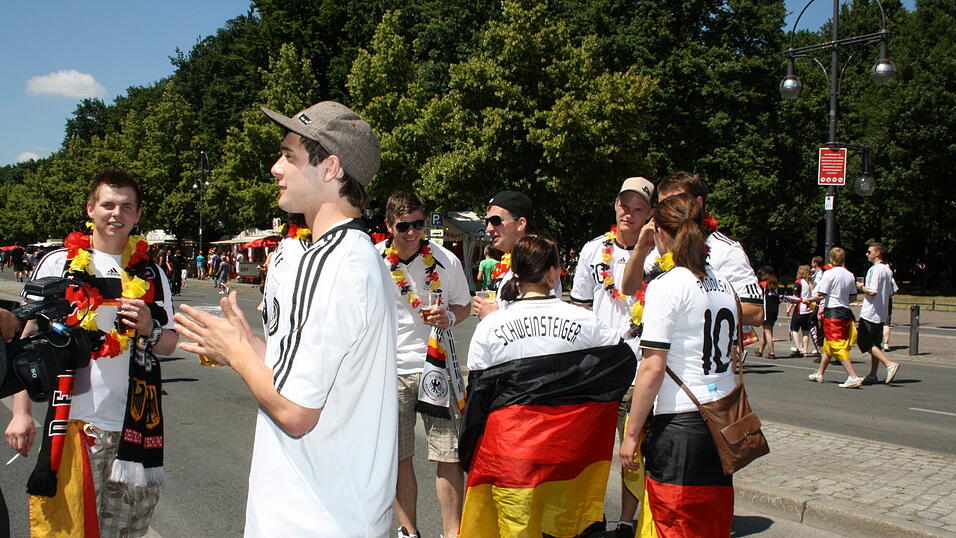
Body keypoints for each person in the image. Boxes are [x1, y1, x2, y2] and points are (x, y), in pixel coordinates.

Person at [173, 100, 398, 536]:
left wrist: (238, 354)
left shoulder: (329, 261)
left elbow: (295, 412)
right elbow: (313, 373)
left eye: (289, 156)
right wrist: (249, 345)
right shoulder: (356, 255)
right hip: (340, 512)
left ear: (330, 168)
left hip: (312, 515)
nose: (276, 168)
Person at [5, 168, 178, 536]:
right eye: (108, 205)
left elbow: (169, 345)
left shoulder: (152, 273)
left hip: (136, 429)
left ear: (138, 214)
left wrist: (149, 327)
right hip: (75, 424)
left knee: (126, 530)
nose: (117, 214)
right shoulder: (59, 262)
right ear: (90, 208)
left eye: (127, 206)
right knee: (69, 529)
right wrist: (21, 413)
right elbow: (22, 343)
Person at [460, 235, 633, 537]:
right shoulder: (586, 321)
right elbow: (624, 364)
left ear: (514, 272)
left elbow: (477, 395)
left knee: (517, 529)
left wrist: (470, 453)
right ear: (554, 273)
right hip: (569, 454)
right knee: (564, 527)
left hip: (512, 455)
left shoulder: (490, 326)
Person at [619, 193, 738, 537]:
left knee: (674, 524)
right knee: (711, 524)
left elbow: (652, 368)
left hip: (682, 420)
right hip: (721, 416)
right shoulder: (721, 281)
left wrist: (631, 434)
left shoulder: (668, 285)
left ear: (659, 233)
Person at [376, 191, 471, 538]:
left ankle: (452, 533)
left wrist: (448, 316)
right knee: (400, 456)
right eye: (404, 226)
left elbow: (464, 306)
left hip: (437, 367)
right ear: (389, 225)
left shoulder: (446, 260)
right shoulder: (374, 261)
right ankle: (409, 531)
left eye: (419, 224)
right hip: (390, 371)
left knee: (448, 454)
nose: (413, 232)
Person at [569, 176, 654, 536]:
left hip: (641, 369)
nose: (628, 214)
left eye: (638, 209)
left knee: (632, 453)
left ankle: (625, 521)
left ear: (650, 214)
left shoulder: (661, 255)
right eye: (624, 205)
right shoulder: (593, 250)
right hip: (599, 370)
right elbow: (580, 308)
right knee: (591, 452)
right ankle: (590, 515)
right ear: (615, 205)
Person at [621, 171, 763, 327]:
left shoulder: (725, 249)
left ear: (698, 203)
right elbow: (629, 288)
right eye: (663, 204)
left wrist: (693, 306)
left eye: (675, 202)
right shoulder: (659, 246)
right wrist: (641, 248)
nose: (667, 211)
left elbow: (756, 312)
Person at [472, 191, 560, 320]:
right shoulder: (510, 261)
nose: (489, 229)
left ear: (521, 224)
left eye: (495, 221)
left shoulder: (539, 262)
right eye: (487, 222)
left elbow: (541, 320)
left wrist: (494, 317)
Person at [807, 247, 865, 388]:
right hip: (845, 312)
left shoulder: (829, 274)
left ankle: (853, 376)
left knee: (836, 345)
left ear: (831, 258)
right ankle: (820, 373)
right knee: (828, 344)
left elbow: (821, 294)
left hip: (832, 313)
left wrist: (808, 300)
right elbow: (853, 296)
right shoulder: (849, 274)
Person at [857, 243, 901, 384]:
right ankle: (873, 374)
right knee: (875, 343)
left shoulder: (875, 270)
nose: (867, 254)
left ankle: (889, 364)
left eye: (869, 252)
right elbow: (894, 290)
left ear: (877, 253)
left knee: (863, 341)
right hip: (882, 311)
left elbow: (872, 291)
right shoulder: (888, 269)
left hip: (871, 311)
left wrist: (861, 287)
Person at [787, 265, 816, 357]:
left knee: (794, 329)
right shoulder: (809, 283)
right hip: (809, 309)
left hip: (800, 309)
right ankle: (805, 350)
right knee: (805, 331)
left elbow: (795, 297)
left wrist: (789, 308)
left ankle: (799, 348)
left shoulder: (798, 282)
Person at [755, 266, 782, 360]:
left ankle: (772, 352)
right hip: (774, 310)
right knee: (767, 331)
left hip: (766, 310)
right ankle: (760, 350)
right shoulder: (775, 285)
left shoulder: (763, 284)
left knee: (768, 331)